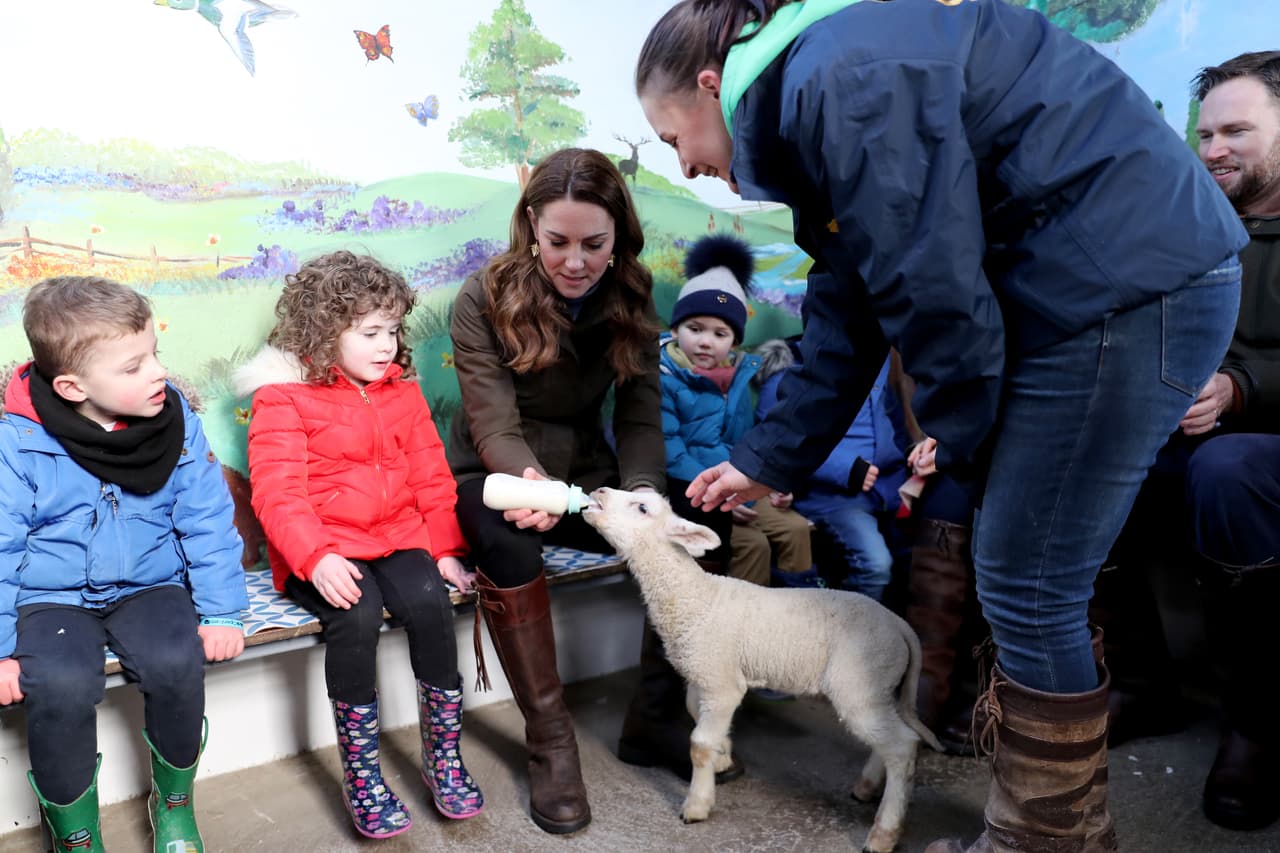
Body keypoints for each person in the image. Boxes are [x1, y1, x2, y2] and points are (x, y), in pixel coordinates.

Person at [635, 2, 1248, 850]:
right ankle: (1056, 829)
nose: (687, 165)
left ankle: (1044, 838)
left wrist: (965, 445)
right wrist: (767, 457)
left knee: (1028, 580)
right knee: (1026, 572)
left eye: (674, 138)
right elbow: (851, 300)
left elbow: (934, 287)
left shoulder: (840, 79)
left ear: (711, 86)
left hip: (1122, 290)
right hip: (1103, 288)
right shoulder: (830, 79)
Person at [449, 148, 740, 834]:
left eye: (593, 244)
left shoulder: (631, 293)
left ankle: (654, 717)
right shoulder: (480, 297)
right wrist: (531, 488)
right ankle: (550, 741)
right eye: (558, 242)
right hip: (496, 473)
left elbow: (639, 418)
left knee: (700, 516)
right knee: (507, 546)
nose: (575, 261)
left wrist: (643, 498)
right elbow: (494, 422)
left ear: (618, 236)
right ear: (531, 226)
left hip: (587, 473)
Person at [238, 251, 483, 839]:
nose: (386, 345)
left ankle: (443, 757)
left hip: (397, 536)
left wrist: (445, 551)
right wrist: (315, 558)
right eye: (369, 333)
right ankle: (363, 775)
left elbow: (431, 478)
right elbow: (278, 494)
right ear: (324, 333)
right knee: (357, 612)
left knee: (429, 602)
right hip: (322, 548)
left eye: (392, 330)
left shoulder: (402, 393)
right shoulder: (281, 397)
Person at [0, 276, 249, 853]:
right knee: (59, 685)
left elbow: (208, 518)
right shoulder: (16, 442)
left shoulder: (175, 420)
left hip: (149, 583)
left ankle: (175, 807)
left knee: (176, 660)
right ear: (72, 387)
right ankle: (77, 837)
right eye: (134, 366)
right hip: (50, 597)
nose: (159, 373)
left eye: (155, 354)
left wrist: (222, 611)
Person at [1180, 51, 1280, 832]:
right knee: (1078, 460)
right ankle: (1134, 681)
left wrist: (1239, 386)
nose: (1215, 149)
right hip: (1203, 432)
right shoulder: (1191, 231)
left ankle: (1255, 723)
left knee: (1225, 470)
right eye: (1206, 133)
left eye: (1236, 131)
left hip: (1251, 444)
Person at [659, 235, 811, 588]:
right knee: (753, 546)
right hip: (692, 491)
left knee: (795, 529)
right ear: (675, 329)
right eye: (695, 329)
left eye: (720, 333)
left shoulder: (739, 376)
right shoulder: (663, 377)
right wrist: (721, 491)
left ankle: (795, 609)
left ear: (734, 341)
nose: (706, 341)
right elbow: (670, 451)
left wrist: (769, 479)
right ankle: (744, 619)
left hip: (736, 481)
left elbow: (748, 438)